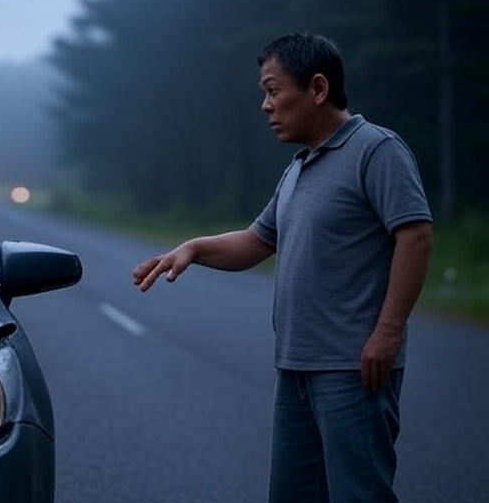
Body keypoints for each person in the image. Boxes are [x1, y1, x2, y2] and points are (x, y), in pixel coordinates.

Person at [132, 33, 433, 503]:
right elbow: (257, 241)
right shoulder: (300, 167)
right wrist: (193, 248)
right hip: (295, 368)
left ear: (317, 88)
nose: (265, 106)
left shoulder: (376, 150)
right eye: (263, 94)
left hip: (354, 368)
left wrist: (388, 331)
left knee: (360, 495)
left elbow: (415, 234)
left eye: (273, 91)